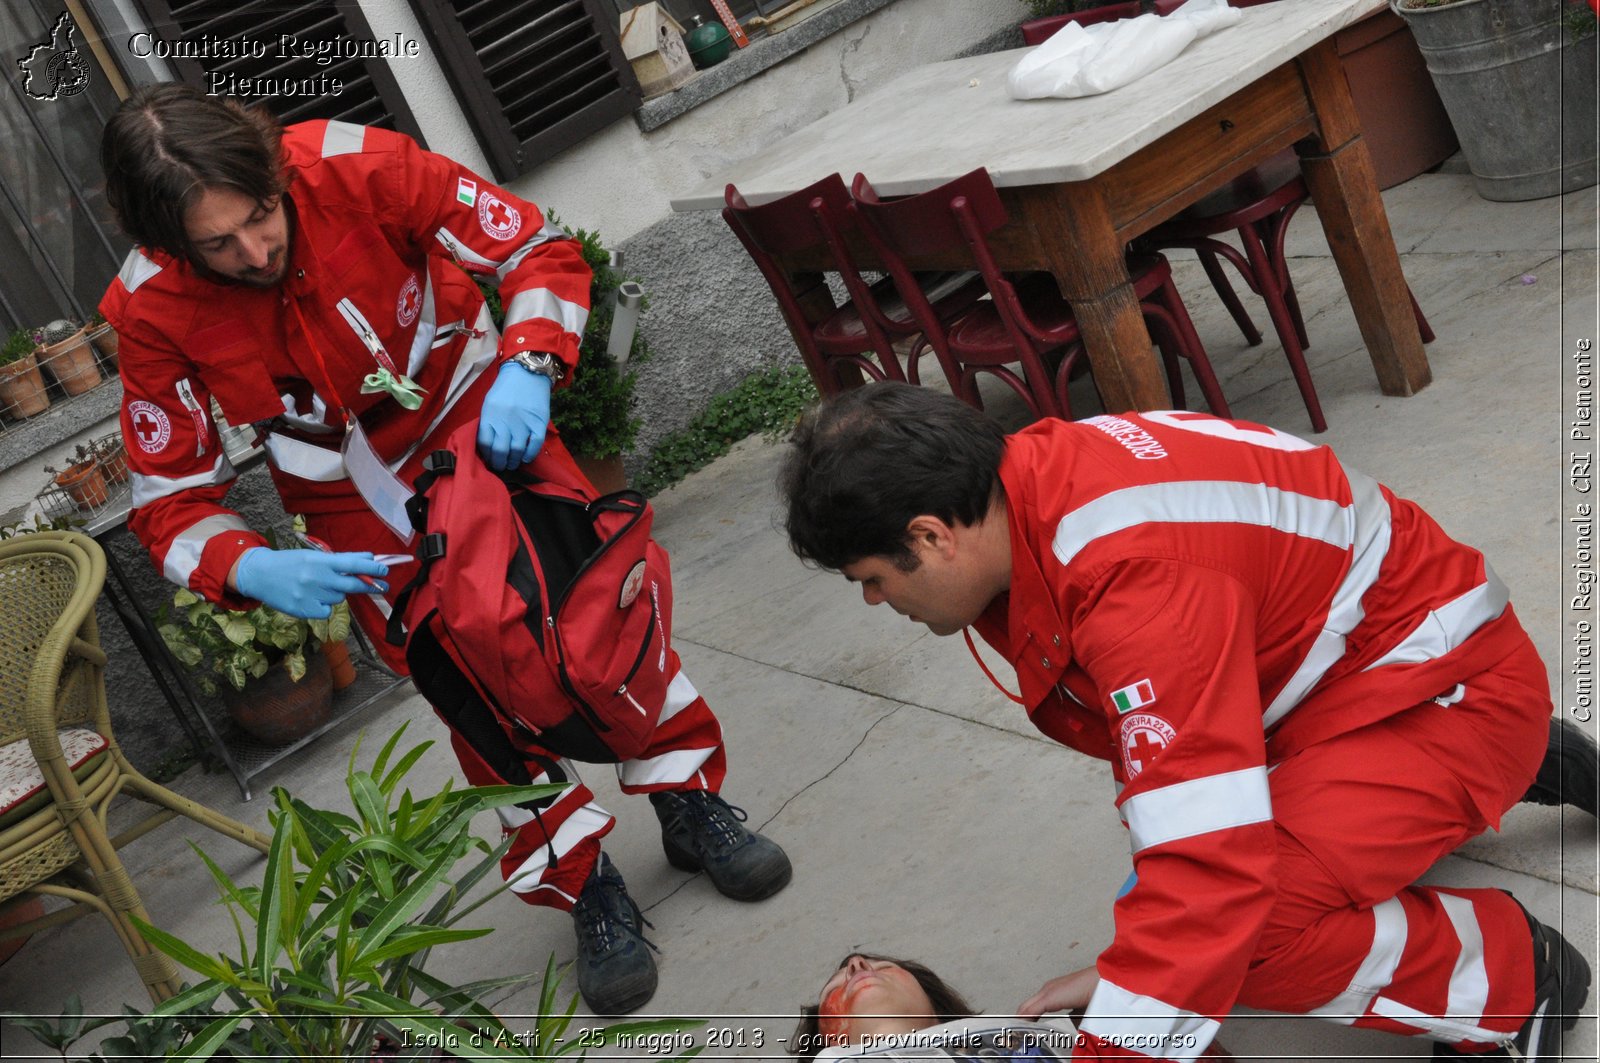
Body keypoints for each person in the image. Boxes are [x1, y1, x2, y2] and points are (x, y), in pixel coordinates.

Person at [98, 83, 791, 1015]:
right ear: (166, 243)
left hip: (485, 420)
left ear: (274, 172)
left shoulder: (357, 162)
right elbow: (169, 500)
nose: (255, 253)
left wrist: (533, 362)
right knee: (470, 689)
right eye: (217, 245)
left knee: (599, 623)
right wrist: (247, 564)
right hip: (353, 501)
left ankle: (685, 800)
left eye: (262, 216)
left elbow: (535, 247)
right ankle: (582, 883)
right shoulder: (148, 308)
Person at [779, 383, 1597, 1062]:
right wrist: (1133, 973)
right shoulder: (1033, 484)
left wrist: (1120, 1035)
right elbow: (1161, 761)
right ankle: (1485, 764)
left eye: (874, 578)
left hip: (1436, 686)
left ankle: (1518, 975)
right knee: (1179, 922)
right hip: (1354, 669)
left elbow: (1211, 872)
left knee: (1252, 934)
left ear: (931, 536)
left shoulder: (1132, 584)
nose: (876, 601)